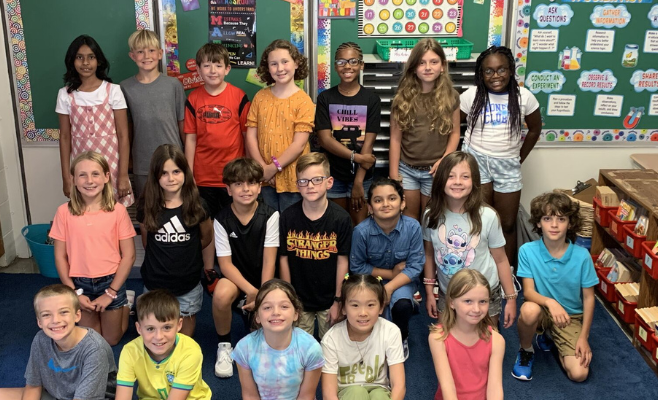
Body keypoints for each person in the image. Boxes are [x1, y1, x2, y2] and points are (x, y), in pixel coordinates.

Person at [460, 45, 542, 266]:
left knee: (506, 224)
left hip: (507, 165)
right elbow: (452, 126)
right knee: (482, 222)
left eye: (501, 69)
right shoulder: (471, 95)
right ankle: (480, 270)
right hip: (477, 162)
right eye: (489, 71)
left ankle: (508, 273)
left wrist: (518, 158)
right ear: (481, 73)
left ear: (511, 70)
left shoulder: (524, 97)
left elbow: (534, 129)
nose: (495, 76)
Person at [422, 151, 517, 329]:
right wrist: (429, 292)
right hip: (448, 291)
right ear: (440, 180)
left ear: (474, 181)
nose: (458, 181)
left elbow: (501, 259)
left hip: (484, 292)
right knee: (447, 339)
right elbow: (429, 254)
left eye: (465, 176)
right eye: (451, 176)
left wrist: (511, 298)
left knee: (487, 339)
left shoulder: (488, 216)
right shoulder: (431, 215)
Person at [50, 151, 136, 345]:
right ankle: (118, 303)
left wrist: (112, 293)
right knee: (92, 340)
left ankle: (123, 304)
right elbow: (60, 257)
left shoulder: (118, 211)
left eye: (95, 174)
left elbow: (129, 256)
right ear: (73, 179)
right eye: (82, 175)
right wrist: (73, 293)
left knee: (111, 340)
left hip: (111, 282)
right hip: (80, 284)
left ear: (106, 177)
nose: (89, 180)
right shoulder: (63, 213)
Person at [512, 192, 598, 382]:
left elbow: (589, 298)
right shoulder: (527, 251)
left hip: (571, 316)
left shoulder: (582, 256)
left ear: (570, 223)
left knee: (579, 374)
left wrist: (584, 337)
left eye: (561, 219)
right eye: (547, 218)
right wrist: (550, 302)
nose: (554, 225)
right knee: (528, 310)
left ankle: (551, 338)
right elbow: (527, 292)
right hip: (542, 308)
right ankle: (526, 350)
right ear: (538, 222)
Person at [212, 158, 279, 378]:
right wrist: (250, 291)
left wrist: (261, 294)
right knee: (221, 294)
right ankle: (224, 346)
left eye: (251, 183)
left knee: (263, 326)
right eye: (239, 184)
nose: (246, 189)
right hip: (236, 279)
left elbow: (270, 261)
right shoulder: (221, 219)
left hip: (264, 279)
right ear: (228, 189)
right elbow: (225, 265)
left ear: (260, 187)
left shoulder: (271, 215)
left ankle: (257, 331)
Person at [137, 144, 213, 337]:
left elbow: (205, 238)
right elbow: (147, 243)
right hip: (155, 283)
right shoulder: (147, 205)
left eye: (176, 171)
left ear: (185, 172)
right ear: (155, 176)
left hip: (187, 285)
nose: (171, 178)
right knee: (157, 340)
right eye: (164, 173)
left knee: (183, 344)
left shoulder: (198, 205)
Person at [280, 152, 352, 339]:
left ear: (329, 182)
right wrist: (290, 299)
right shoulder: (288, 217)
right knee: (301, 350)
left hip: (330, 300)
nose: (310, 186)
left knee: (331, 349)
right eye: (303, 181)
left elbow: (343, 262)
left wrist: (338, 300)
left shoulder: (341, 218)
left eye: (317, 180)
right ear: (297, 186)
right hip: (299, 300)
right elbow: (284, 259)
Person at [0, 284, 117, 400]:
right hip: (56, 394)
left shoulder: (95, 348)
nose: (55, 320)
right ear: (39, 322)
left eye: (63, 312)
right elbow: (33, 386)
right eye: (46, 315)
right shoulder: (40, 339)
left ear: (77, 315)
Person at [350, 178, 424, 359]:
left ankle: (401, 336)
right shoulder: (361, 231)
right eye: (378, 200)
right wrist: (389, 274)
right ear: (369, 207)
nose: (385, 204)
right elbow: (356, 266)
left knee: (402, 306)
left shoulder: (413, 227)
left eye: (392, 198)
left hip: (402, 281)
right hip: (370, 280)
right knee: (370, 311)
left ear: (402, 203)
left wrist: (389, 287)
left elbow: (415, 266)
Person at [56, 34, 133, 207]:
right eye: (79, 57)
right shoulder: (65, 94)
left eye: (91, 57)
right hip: (82, 171)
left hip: (111, 168)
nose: (85, 63)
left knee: (114, 216)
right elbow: (65, 137)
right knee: (87, 216)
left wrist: (122, 175)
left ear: (98, 61)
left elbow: (123, 135)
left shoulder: (113, 90)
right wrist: (66, 177)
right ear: (72, 61)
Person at [389, 38, 460, 222]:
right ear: (413, 67)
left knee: (431, 219)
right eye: (421, 63)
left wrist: (444, 161)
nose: (428, 67)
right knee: (409, 218)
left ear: (443, 66)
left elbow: (455, 133)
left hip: (435, 171)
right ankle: (413, 252)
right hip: (407, 170)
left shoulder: (451, 97)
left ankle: (428, 252)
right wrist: (393, 175)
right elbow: (395, 139)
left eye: (434, 62)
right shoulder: (402, 99)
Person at [245, 39, 315, 213]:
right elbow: (251, 136)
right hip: (265, 177)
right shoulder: (260, 97)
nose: (280, 68)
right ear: (267, 68)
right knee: (269, 225)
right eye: (274, 64)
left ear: (296, 63)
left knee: (290, 224)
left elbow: (298, 145)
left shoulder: (303, 101)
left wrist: (273, 167)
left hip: (293, 178)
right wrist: (263, 169)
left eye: (285, 62)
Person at [315, 42, 380, 225]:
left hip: (362, 176)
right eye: (342, 61)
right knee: (336, 225)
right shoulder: (325, 98)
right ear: (335, 66)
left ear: (361, 65)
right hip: (333, 174)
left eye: (353, 61)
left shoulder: (371, 99)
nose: (347, 66)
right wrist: (357, 157)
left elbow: (368, 144)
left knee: (359, 227)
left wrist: (358, 182)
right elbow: (325, 139)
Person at [184, 42, 251, 219]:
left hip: (234, 175)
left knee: (234, 223)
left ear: (227, 69)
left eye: (218, 65)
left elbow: (247, 136)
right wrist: (189, 174)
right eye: (206, 65)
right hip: (203, 177)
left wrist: (249, 172)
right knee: (207, 226)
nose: (212, 70)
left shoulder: (239, 96)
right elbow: (190, 139)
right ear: (198, 70)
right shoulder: (193, 98)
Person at [120, 29, 186, 200]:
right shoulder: (124, 88)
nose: (146, 56)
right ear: (132, 56)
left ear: (160, 53)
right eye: (140, 51)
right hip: (143, 162)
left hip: (174, 160)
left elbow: (182, 124)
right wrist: (127, 162)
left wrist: (187, 160)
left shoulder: (173, 85)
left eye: (151, 50)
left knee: (176, 208)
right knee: (146, 212)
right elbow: (125, 129)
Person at [233, 279, 324, 400]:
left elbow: (307, 396)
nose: (276, 312)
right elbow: (250, 395)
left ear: (296, 314)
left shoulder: (311, 348)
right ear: (257, 316)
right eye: (267, 307)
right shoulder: (244, 348)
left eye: (284, 306)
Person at [321, 274, 406, 400]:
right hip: (346, 392)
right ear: (343, 308)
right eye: (355, 305)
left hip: (379, 389)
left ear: (381, 307)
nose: (363, 313)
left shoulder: (390, 331)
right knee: (356, 393)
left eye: (370, 305)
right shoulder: (331, 339)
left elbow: (399, 385)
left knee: (379, 396)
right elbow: (329, 394)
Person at [116, 289, 212, 400]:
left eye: (166, 327)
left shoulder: (190, 351)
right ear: (139, 328)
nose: (158, 336)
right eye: (150, 328)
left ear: (179, 325)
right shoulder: (130, 351)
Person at [428, 269, 505, 400]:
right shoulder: (438, 337)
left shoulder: (497, 340)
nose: (476, 309)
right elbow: (448, 387)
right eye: (468, 301)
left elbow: (495, 388)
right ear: (452, 302)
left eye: (483, 301)